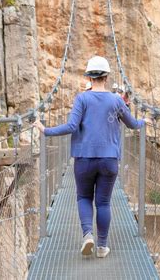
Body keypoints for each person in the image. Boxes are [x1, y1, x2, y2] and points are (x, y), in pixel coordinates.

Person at [34, 56, 146, 258]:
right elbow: (133, 124)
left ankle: (87, 235)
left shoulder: (82, 99)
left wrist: (45, 130)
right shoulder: (116, 100)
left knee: (84, 197)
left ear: (89, 76)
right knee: (103, 203)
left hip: (84, 159)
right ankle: (102, 247)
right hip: (109, 160)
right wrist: (143, 122)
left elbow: (71, 126)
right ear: (107, 76)